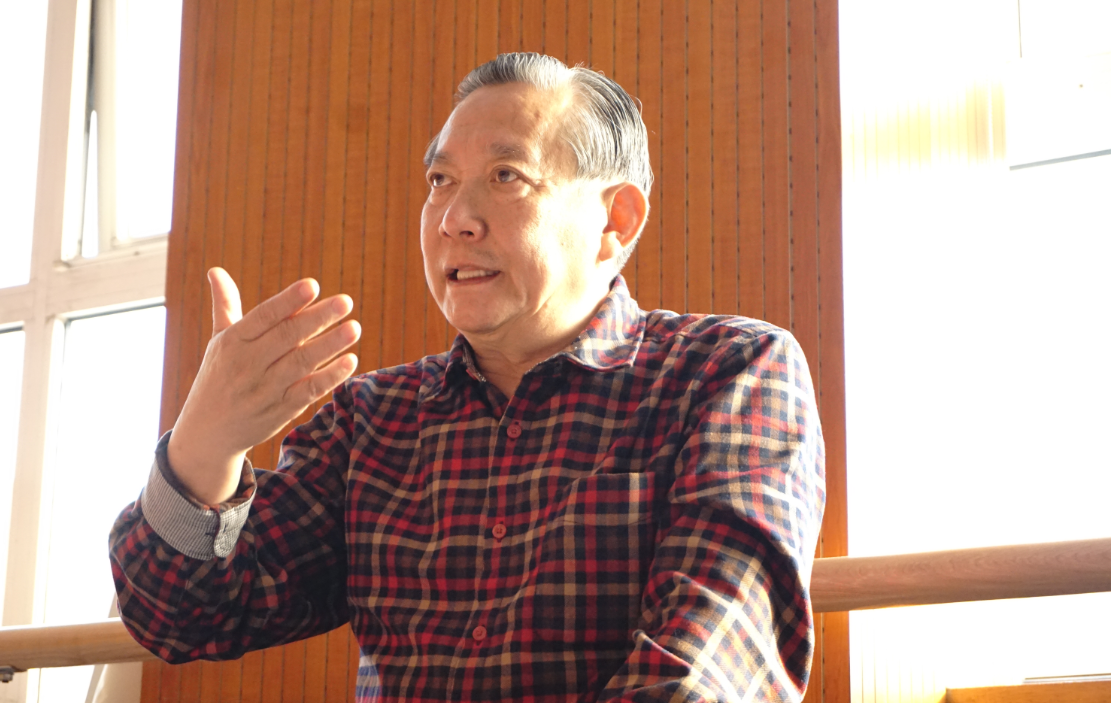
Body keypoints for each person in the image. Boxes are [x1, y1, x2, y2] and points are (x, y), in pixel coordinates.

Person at [110, 52, 825, 702]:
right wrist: (204, 445)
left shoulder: (729, 373)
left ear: (615, 220)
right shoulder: (371, 420)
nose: (454, 219)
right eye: (439, 181)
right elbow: (181, 617)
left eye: (506, 176)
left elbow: (700, 677)